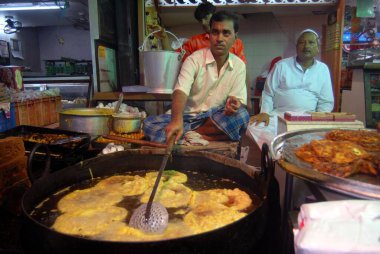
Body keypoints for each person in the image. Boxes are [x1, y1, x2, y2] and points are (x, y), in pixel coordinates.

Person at [143, 11, 249, 144]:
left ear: (235, 37)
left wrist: (234, 105)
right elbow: (181, 90)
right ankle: (202, 136)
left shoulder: (239, 65)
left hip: (214, 118)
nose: (219, 38)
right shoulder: (194, 59)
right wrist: (177, 120)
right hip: (187, 117)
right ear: (209, 35)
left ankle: (189, 136)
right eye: (215, 32)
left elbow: (238, 101)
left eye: (226, 33)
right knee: (147, 124)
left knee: (242, 116)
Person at [248, 29, 334, 148]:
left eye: (311, 42)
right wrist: (264, 112)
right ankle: (281, 153)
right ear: (296, 47)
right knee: (253, 127)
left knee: (328, 135)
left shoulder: (323, 69)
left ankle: (281, 148)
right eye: (302, 42)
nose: (306, 46)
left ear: (318, 47)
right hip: (279, 117)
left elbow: (326, 101)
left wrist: (318, 120)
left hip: (309, 119)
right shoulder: (281, 65)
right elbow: (268, 93)